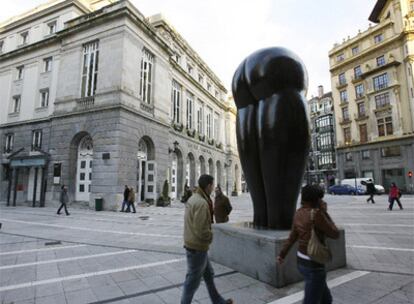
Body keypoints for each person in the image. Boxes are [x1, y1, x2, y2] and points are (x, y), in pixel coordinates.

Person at [277, 185, 339, 304]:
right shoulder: (317, 214)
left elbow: (292, 237)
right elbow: (335, 234)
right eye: (320, 198)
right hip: (314, 262)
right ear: (316, 199)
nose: (322, 201)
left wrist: (282, 254)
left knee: (326, 299)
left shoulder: (298, 213)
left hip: (301, 261)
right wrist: (325, 213)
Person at [181, 174, 233, 304]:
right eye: (212, 185)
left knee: (209, 275)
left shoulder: (194, 198)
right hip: (197, 247)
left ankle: (218, 301)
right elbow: (201, 230)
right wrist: (211, 236)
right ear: (208, 186)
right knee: (191, 282)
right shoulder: (202, 203)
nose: (213, 188)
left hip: (192, 244)